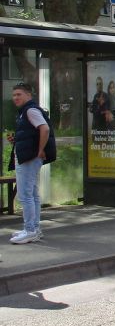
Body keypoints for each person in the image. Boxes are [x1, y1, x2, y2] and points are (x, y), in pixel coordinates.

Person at [7, 83, 50, 244]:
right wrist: (16, 140)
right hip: (29, 156)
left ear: (28, 95)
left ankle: (30, 230)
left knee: (25, 195)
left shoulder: (30, 111)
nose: (15, 98)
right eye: (14, 95)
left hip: (28, 158)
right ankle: (34, 229)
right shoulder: (26, 111)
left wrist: (40, 149)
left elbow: (44, 129)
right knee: (32, 194)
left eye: (19, 94)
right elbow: (32, 133)